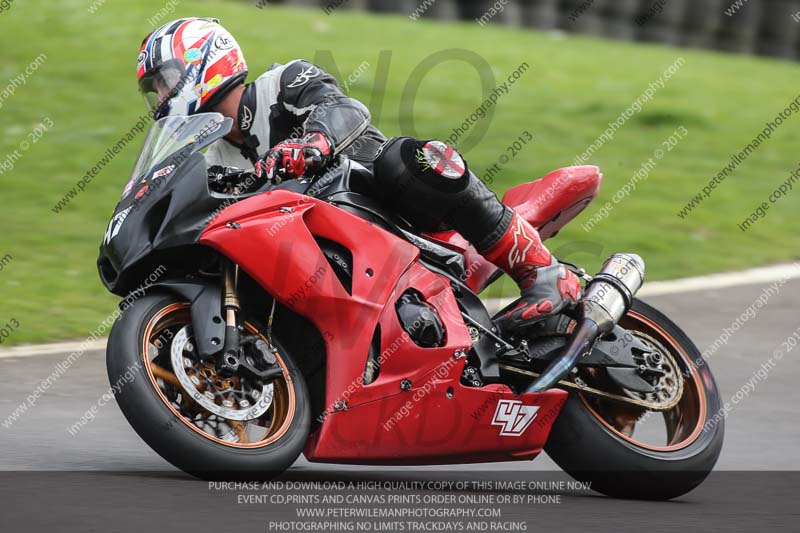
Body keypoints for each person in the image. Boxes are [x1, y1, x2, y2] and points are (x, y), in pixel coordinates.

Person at [136, 17, 580, 331]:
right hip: (321, 253)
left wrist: (311, 143)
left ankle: (543, 272)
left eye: (164, 80)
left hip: (389, 206)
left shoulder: (282, 82)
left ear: (205, 62)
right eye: (153, 89)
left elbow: (346, 109)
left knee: (414, 158)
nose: (160, 96)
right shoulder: (212, 156)